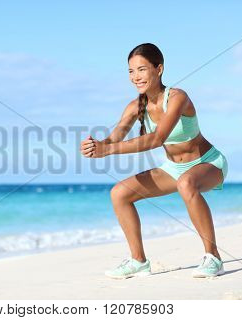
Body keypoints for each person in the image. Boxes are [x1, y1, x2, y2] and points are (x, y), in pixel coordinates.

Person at [80, 43, 228, 279]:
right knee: (119, 193)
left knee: (186, 184)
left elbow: (157, 139)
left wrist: (106, 151)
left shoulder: (178, 97)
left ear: (158, 69)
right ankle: (138, 261)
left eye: (141, 69)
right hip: (174, 168)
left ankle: (213, 257)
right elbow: (114, 137)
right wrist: (95, 146)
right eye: (130, 71)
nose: (135, 77)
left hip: (208, 163)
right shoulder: (134, 106)